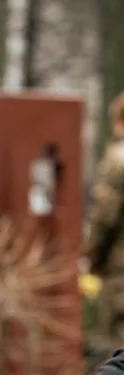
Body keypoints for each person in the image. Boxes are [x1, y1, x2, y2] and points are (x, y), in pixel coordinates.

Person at [84, 91, 124, 357]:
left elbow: (105, 215)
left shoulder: (117, 158)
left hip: (120, 267)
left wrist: (91, 255)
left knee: (116, 347)